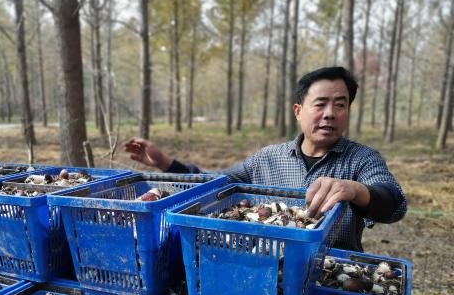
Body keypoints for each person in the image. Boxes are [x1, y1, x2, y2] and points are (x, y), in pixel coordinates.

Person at [124, 66, 406, 251]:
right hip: (268, 267)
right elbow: (218, 182)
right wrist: (165, 164)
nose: (330, 113)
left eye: (340, 105)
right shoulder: (268, 158)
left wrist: (357, 190)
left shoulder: (361, 160)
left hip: (332, 273)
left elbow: (394, 204)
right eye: (320, 104)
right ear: (298, 110)